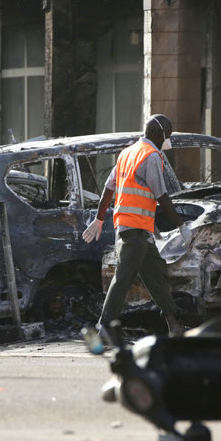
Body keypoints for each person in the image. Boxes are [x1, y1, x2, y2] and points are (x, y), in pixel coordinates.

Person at [82, 114, 190, 336]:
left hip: (135, 229)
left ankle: (174, 324)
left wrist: (100, 219)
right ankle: (104, 327)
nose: (168, 141)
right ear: (157, 134)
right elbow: (161, 195)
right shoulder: (151, 156)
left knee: (156, 275)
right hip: (135, 230)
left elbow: (109, 188)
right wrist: (181, 225)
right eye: (167, 136)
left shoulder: (127, 153)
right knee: (123, 278)